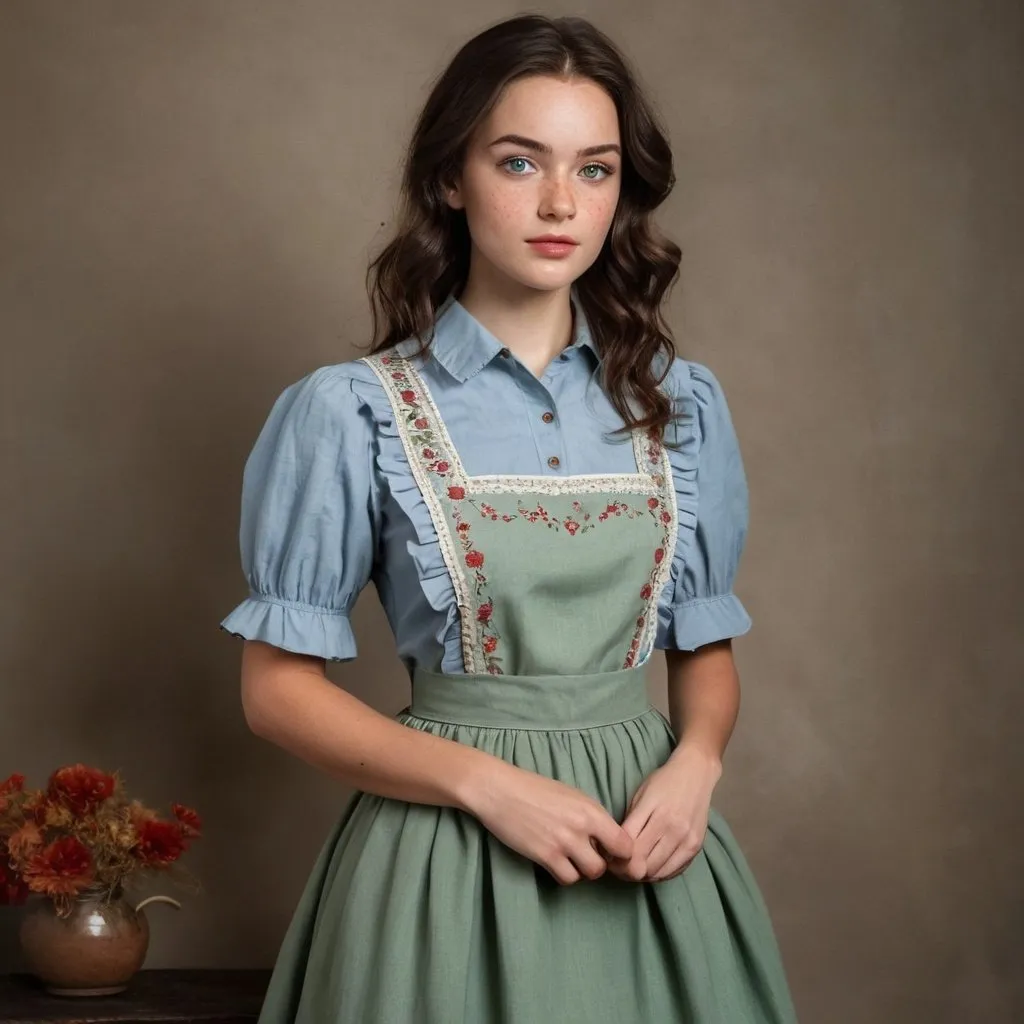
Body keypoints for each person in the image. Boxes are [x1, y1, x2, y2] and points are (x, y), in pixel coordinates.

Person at [221, 13, 798, 1023]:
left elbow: (701, 642)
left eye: (595, 168)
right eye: (520, 161)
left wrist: (696, 763)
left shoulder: (683, 402)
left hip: (646, 854)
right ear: (451, 176)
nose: (560, 203)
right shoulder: (349, 409)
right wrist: (488, 787)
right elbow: (275, 693)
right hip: (440, 860)